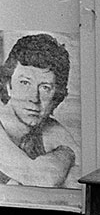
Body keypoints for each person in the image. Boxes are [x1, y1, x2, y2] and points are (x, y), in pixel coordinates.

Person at [0, 33, 80, 187]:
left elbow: (81, 178)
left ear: (57, 95)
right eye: (24, 83)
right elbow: (41, 178)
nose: (33, 98)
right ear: (8, 86)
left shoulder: (50, 129)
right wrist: (66, 154)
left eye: (45, 88)